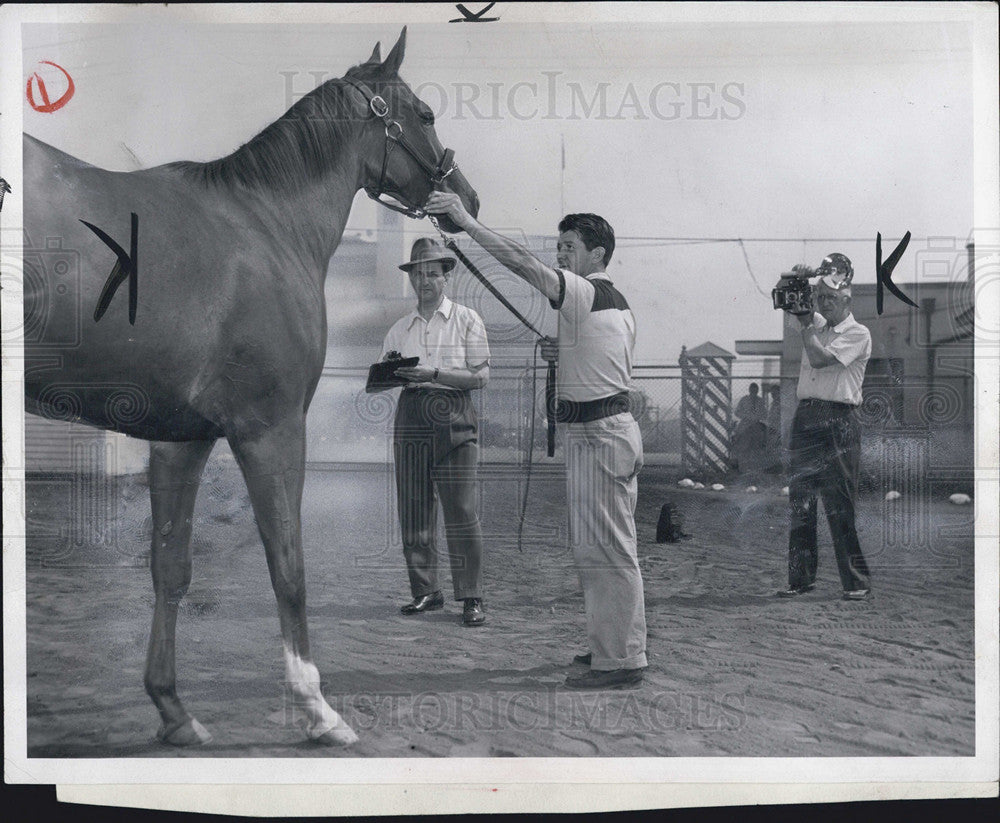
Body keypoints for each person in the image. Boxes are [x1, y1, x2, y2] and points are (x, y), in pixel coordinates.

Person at [425, 193, 646, 690]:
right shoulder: (612, 306)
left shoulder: (589, 292)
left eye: (569, 246)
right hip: (600, 435)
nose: (560, 255)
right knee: (598, 549)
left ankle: (624, 661)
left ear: (597, 254)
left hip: (600, 436)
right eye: (560, 246)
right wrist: (563, 353)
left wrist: (464, 222)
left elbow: (521, 263)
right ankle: (612, 646)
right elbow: (601, 365)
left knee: (609, 550)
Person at [373, 238, 491, 626]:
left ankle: (471, 596)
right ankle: (426, 591)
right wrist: (390, 372)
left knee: (462, 510)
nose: (425, 281)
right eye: (418, 273)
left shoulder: (467, 319)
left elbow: (481, 377)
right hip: (411, 413)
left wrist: (434, 374)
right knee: (414, 507)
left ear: (446, 277)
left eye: (432, 273)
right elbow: (377, 380)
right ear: (411, 278)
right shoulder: (399, 328)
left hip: (453, 410)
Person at [776, 253, 872, 601]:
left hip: (840, 419)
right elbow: (782, 296)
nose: (824, 303)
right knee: (800, 503)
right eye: (820, 297)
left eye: (831, 298)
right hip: (807, 415)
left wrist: (806, 323)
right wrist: (798, 279)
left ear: (848, 300)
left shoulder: (858, 333)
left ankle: (856, 581)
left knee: (839, 503)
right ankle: (800, 579)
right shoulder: (814, 322)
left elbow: (818, 358)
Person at [732, 382, 767, 474]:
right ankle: (743, 469)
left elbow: (764, 413)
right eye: (752, 390)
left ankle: (756, 469)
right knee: (744, 447)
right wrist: (746, 416)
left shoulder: (760, 401)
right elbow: (737, 412)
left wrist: (757, 417)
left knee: (757, 448)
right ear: (749, 390)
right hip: (745, 426)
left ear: (757, 391)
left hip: (756, 426)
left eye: (756, 390)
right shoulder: (744, 400)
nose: (754, 392)